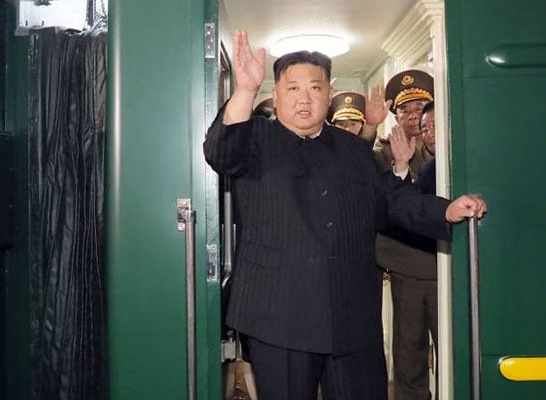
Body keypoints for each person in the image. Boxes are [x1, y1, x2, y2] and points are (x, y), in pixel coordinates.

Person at [203, 30, 486, 400]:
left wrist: (445, 210)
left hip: (351, 315)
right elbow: (220, 153)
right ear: (275, 94)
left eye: (315, 88)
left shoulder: (354, 151)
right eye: (293, 88)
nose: (305, 98)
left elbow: (393, 199)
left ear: (329, 93)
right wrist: (244, 90)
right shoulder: (256, 138)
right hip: (277, 315)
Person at [374, 71, 439, 400]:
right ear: (394, 116)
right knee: (409, 350)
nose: (413, 117)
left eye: (419, 109)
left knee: (452, 347)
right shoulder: (382, 155)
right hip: (406, 267)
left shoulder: (443, 147)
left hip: (446, 266)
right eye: (404, 110)